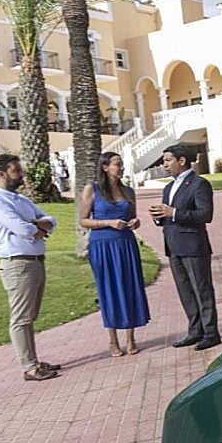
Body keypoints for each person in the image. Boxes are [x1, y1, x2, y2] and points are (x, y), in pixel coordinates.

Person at [0, 153, 63, 382]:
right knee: (21, 317)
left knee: (30, 315)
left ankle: (33, 360)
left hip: (35, 262)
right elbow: (24, 230)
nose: (21, 173)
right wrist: (35, 226)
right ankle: (29, 366)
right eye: (16, 170)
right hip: (17, 264)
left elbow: (50, 219)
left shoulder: (20, 200)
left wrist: (38, 225)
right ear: (1, 174)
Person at [79, 151, 151, 357]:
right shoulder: (91, 190)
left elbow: (133, 217)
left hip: (125, 243)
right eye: (117, 164)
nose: (121, 168)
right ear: (105, 167)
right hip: (102, 245)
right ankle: (112, 341)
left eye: (121, 164)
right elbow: (83, 220)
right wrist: (107, 222)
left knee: (129, 287)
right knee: (108, 289)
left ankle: (130, 339)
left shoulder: (128, 191)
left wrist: (136, 222)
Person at [147, 144, 220, 350]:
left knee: (202, 289)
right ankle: (195, 331)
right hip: (173, 246)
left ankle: (211, 333)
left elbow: (206, 214)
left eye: (168, 160)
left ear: (182, 161)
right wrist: (159, 217)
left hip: (194, 246)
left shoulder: (199, 184)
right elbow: (167, 214)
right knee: (185, 291)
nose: (164, 164)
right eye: (164, 161)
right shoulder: (168, 187)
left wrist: (174, 213)